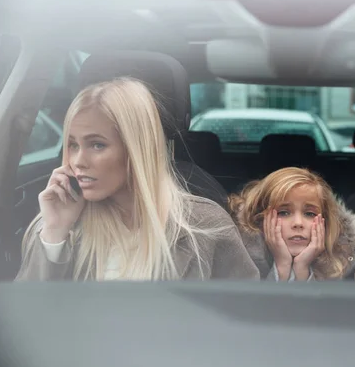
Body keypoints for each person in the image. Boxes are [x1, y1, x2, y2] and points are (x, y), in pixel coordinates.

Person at [16, 78, 259, 281]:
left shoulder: (206, 225)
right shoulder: (57, 226)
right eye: (72, 145)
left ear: (137, 148)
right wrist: (55, 234)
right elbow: (23, 321)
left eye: (97, 144)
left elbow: (246, 318)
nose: (78, 160)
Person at [229, 167, 355, 281]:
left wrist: (302, 270)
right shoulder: (240, 263)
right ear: (260, 219)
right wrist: (282, 266)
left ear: (325, 223)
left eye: (310, 214)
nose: (298, 223)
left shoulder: (341, 266)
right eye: (284, 212)